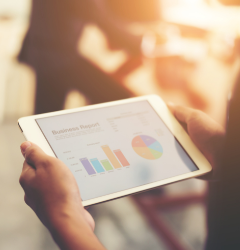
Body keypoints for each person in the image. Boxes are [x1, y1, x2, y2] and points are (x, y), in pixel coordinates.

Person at [19, 1, 240, 250]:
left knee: (54, 117)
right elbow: (95, 14)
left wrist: (64, 216)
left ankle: (111, 177)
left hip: (56, 52)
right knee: (52, 119)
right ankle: (96, 175)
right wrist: (222, 152)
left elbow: (96, 15)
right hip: (55, 53)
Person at [19, 0, 155, 114]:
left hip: (44, 51)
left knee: (47, 113)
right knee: (116, 96)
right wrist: (141, 42)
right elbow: (99, 16)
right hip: (59, 57)